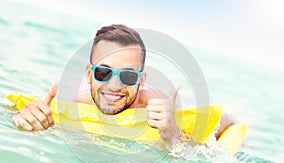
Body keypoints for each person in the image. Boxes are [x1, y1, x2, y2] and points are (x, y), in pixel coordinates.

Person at [13, 24, 235, 148]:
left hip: (178, 109)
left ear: (141, 80)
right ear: (89, 74)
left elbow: (189, 153)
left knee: (228, 118)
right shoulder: (73, 102)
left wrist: (172, 134)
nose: (114, 86)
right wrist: (29, 119)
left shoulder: (154, 103)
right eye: (104, 72)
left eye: (128, 76)